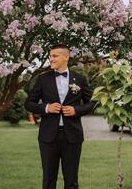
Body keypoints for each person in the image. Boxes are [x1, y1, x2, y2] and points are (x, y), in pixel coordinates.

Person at [24, 44, 95, 189]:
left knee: (71, 181)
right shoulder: (43, 79)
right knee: (49, 180)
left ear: (66, 57)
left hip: (73, 136)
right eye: (50, 56)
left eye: (54, 56)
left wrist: (77, 110)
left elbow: (93, 102)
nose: (51, 59)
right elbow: (29, 103)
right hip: (48, 137)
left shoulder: (80, 79)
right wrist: (46, 108)